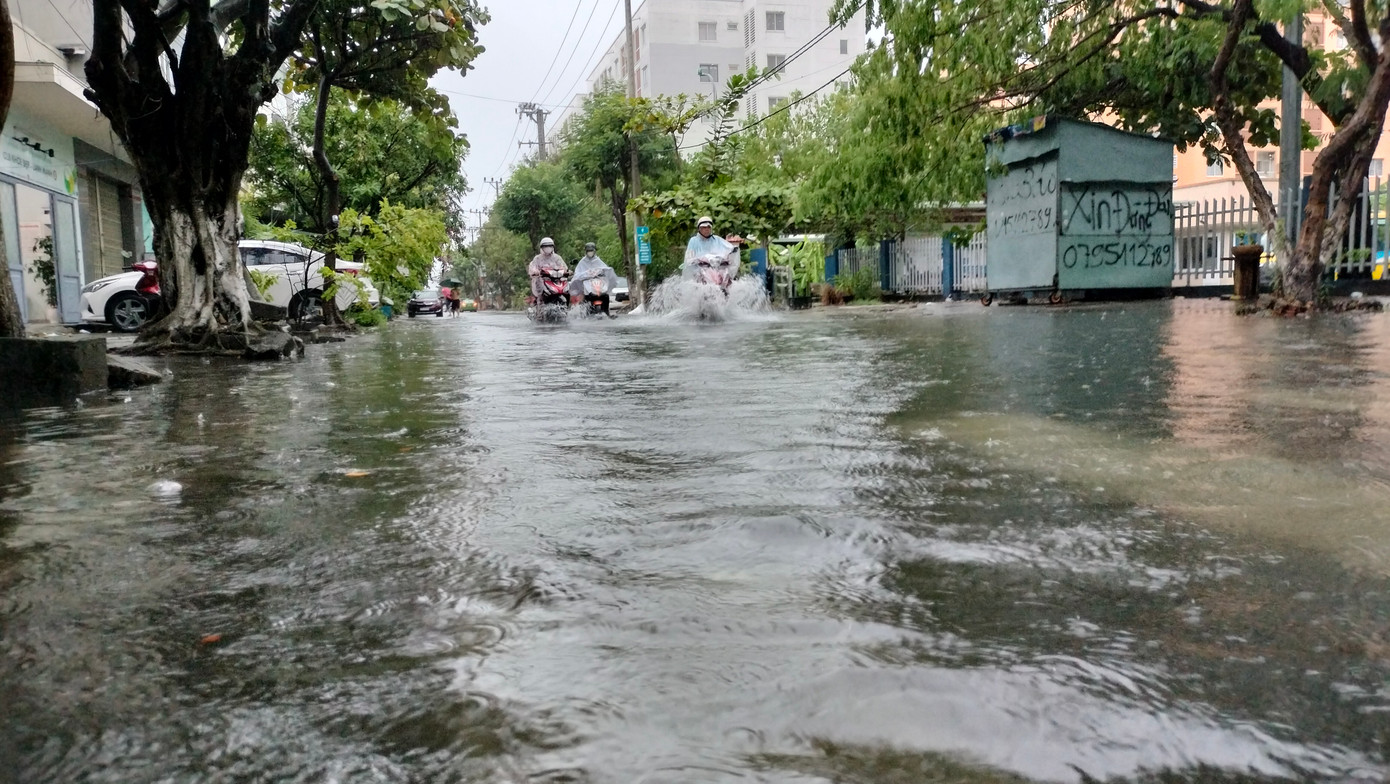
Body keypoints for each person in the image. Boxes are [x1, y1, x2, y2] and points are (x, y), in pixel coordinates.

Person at [570, 242, 619, 317]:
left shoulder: (598, 260)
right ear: (586, 251)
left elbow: (605, 269)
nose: (590, 253)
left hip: (598, 282)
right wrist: (586, 274)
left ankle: (607, 312)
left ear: (594, 251)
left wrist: (603, 272)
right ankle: (586, 313)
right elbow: (577, 274)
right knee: (587, 296)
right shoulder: (582, 262)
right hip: (587, 283)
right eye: (588, 251)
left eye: (591, 251)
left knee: (605, 296)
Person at [527, 237, 568, 303]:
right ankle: (539, 302)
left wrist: (567, 271)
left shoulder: (557, 258)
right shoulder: (538, 258)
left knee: (567, 286)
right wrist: (536, 272)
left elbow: (563, 266)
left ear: (553, 247)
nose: (548, 248)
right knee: (539, 285)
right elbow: (532, 267)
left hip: (555, 280)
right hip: (542, 280)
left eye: (550, 246)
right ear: (541, 247)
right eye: (545, 246)